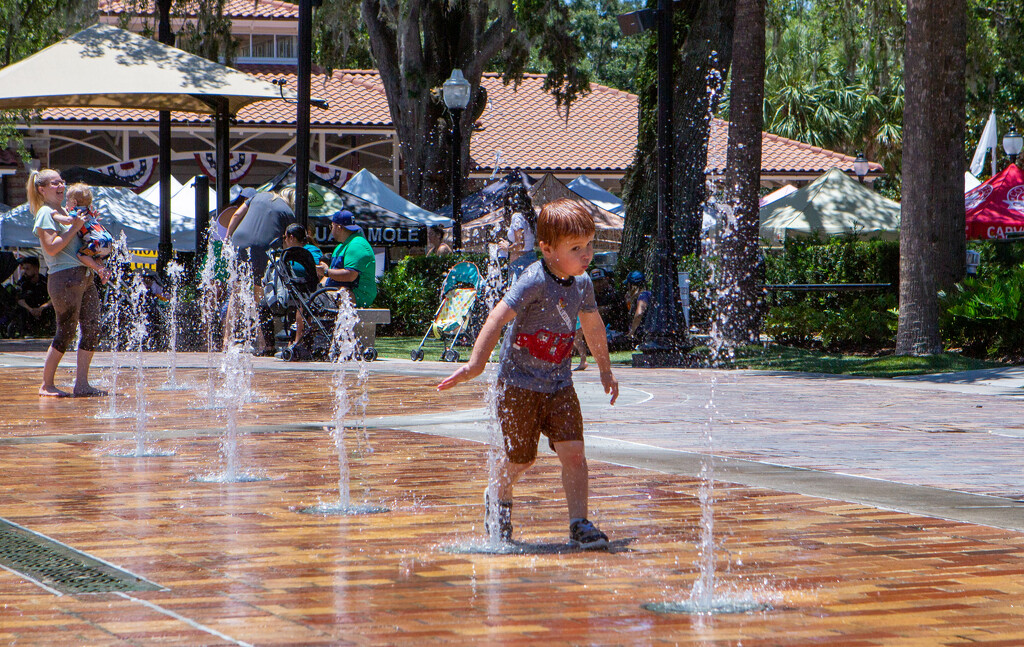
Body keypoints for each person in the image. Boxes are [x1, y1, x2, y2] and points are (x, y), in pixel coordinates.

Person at [437, 198, 619, 550]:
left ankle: (579, 523)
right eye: (576, 248)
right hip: (518, 384)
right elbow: (496, 318)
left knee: (575, 453)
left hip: (559, 384)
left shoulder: (583, 284)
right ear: (547, 249)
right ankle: (498, 493)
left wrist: (605, 369)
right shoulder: (533, 280)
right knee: (522, 458)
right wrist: (476, 364)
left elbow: (593, 325)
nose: (587, 255)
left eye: (590, 245)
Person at [27, 168, 105, 397]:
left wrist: (91, 225)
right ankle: (46, 384)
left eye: (61, 182)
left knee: (92, 327)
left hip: (84, 276)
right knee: (67, 330)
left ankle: (82, 383)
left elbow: (81, 244)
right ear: (41, 189)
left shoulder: (67, 211)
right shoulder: (45, 212)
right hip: (64, 278)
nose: (61, 186)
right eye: (54, 183)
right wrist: (74, 227)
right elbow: (51, 247)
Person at [226, 189, 296, 353]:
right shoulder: (288, 212)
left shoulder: (257, 196)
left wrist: (227, 238)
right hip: (262, 248)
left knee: (236, 291)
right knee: (259, 294)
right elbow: (289, 241)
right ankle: (263, 343)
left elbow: (236, 215)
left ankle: (225, 340)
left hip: (238, 241)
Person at [316, 209, 377, 308]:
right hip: (338, 290)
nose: (331, 230)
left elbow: (350, 275)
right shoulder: (340, 247)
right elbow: (329, 276)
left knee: (324, 300)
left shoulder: (356, 245)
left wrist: (326, 271)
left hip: (357, 294)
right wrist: (318, 288)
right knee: (309, 300)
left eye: (332, 226)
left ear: (339, 227)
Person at [55, 183, 113, 284]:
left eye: (67, 200)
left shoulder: (76, 211)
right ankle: (104, 273)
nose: (66, 204)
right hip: (108, 240)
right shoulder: (89, 211)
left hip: (96, 242)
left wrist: (55, 215)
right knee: (95, 256)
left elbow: (68, 220)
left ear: (74, 202)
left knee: (81, 254)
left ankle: (99, 269)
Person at [504, 179, 537, 286]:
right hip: (531, 258)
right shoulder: (530, 216)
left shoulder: (517, 216)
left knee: (516, 298)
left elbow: (520, 244)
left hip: (520, 263)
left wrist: (507, 247)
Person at [14, 256, 54, 336]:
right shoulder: (22, 282)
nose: (25, 272)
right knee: (20, 310)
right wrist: (30, 309)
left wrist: (42, 308)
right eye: (24, 269)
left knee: (54, 308)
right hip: (28, 309)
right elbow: (19, 299)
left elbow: (53, 298)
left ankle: (51, 331)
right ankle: (24, 332)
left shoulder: (45, 282)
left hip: (42, 309)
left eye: (27, 269)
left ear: (36, 269)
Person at [624, 270, 651, 343]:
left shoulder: (643, 295)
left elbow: (639, 314)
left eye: (628, 286)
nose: (628, 290)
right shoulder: (647, 294)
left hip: (643, 336)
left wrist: (631, 333)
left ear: (633, 287)